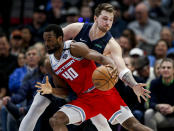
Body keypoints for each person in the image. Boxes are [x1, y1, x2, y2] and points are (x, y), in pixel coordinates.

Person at [20, 3, 151, 131]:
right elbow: (52, 41)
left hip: (91, 84)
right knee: (37, 108)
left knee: (102, 122)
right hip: (67, 79)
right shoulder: (76, 29)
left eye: (111, 20)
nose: (108, 23)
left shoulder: (110, 44)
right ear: (95, 18)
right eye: (105, 18)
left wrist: (132, 84)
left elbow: (121, 68)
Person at [144, 58, 174, 131]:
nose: (165, 69)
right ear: (160, 70)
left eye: (169, 67)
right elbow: (151, 103)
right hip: (161, 116)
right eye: (163, 67)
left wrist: (173, 108)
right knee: (148, 113)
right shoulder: (154, 83)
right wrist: (159, 106)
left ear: (173, 70)